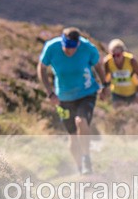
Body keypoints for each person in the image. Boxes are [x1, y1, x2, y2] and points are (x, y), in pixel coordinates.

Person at [37, 27, 106, 175]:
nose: (70, 51)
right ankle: (80, 169)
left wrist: (104, 85)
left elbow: (98, 65)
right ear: (62, 42)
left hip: (86, 92)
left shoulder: (88, 48)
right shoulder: (51, 47)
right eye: (67, 47)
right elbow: (41, 68)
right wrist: (50, 93)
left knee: (81, 121)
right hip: (63, 97)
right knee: (73, 136)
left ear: (78, 45)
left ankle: (87, 159)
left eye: (73, 48)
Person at [101, 38, 138, 106]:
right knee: (118, 112)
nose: (116, 58)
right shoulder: (107, 62)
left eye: (118, 55)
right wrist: (104, 91)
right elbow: (106, 79)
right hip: (116, 94)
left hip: (131, 94)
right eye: (113, 55)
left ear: (123, 53)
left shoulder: (131, 60)